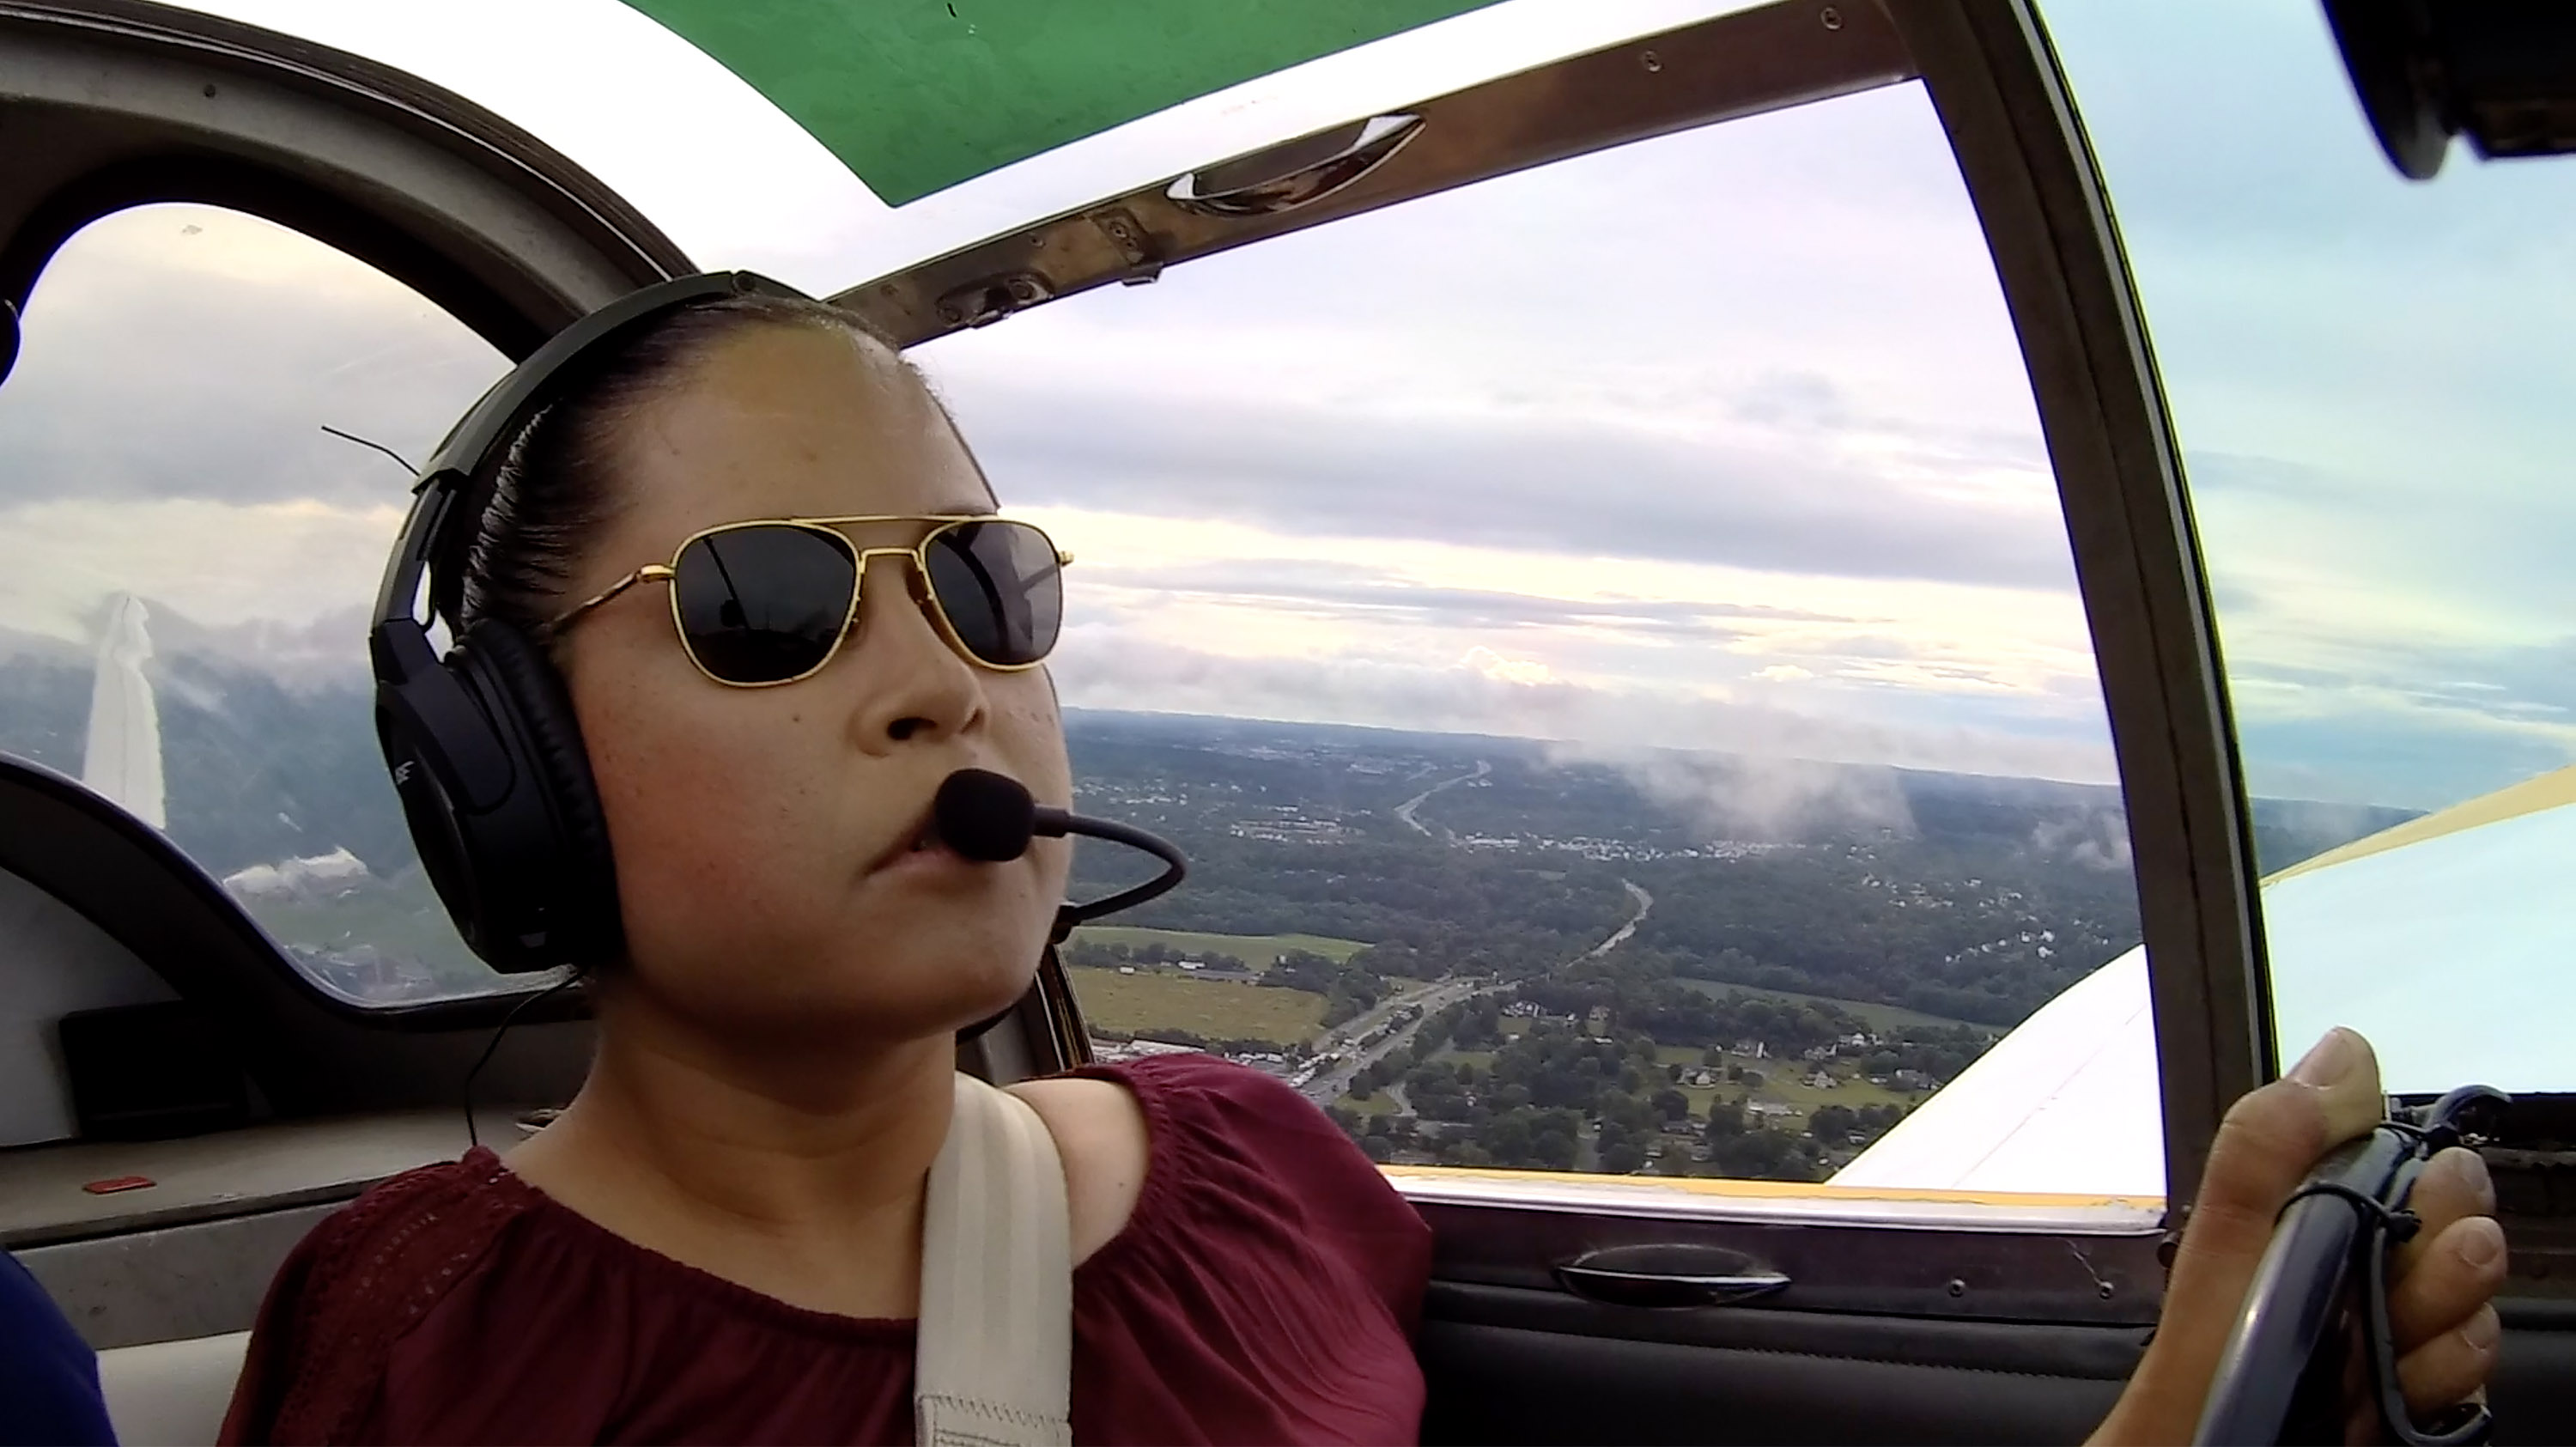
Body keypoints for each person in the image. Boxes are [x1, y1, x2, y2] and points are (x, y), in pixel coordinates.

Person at [216, 289, 2505, 1444]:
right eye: (768, 604)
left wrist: (2210, 1342)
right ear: (496, 764)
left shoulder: (1260, 1180)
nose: (946, 688)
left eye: (985, 583)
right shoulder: (424, 1350)